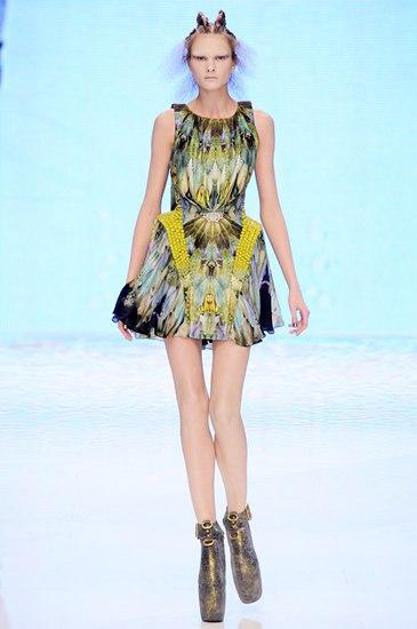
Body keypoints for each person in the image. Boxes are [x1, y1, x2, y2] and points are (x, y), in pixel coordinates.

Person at [111, 8, 310, 623]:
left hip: (239, 265)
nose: (210, 67)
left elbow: (270, 204)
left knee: (226, 409)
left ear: (234, 60)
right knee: (191, 407)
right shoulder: (168, 124)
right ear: (188, 62)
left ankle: (239, 522)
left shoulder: (258, 124)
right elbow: (150, 201)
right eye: (200, 58)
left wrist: (295, 285)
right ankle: (207, 544)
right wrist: (131, 286)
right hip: (177, 263)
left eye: (219, 57)